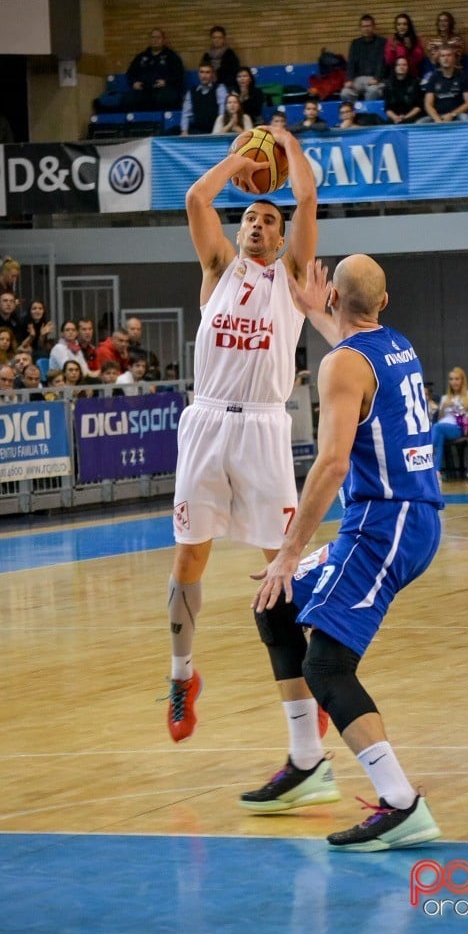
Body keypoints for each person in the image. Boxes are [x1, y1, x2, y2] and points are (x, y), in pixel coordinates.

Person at [251, 255, 444, 850]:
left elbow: (333, 464)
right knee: (274, 606)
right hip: (398, 518)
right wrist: (317, 313)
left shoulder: (341, 366)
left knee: (327, 666)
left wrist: (289, 551)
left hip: (385, 527)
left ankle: (401, 802)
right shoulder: (394, 345)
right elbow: (351, 350)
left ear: (334, 293)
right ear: (383, 304)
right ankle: (308, 762)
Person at [166, 124, 335, 802]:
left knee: (280, 568)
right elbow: (193, 200)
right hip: (206, 421)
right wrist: (237, 159)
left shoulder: (291, 276)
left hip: (265, 429)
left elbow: (309, 200)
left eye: (268, 218)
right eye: (251, 218)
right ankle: (182, 678)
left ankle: (311, 693)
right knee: (188, 558)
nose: (258, 225)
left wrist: (286, 148)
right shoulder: (216, 270)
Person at [98, 28, 185, 113]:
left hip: (163, 89)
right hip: (143, 90)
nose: (155, 40)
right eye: (153, 37)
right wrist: (134, 83)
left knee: (167, 98)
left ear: (163, 40)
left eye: (158, 37)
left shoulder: (172, 56)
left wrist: (166, 82)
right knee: (128, 100)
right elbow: (130, 73)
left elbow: (179, 74)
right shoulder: (141, 57)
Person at [418, 46, 468, 122]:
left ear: (454, 58)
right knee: (421, 122)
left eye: (449, 55)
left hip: (457, 114)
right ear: (439, 60)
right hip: (438, 115)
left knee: (464, 118)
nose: (446, 58)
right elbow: (428, 104)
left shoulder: (464, 76)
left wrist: (452, 114)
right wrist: (437, 119)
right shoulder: (433, 78)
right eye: (443, 56)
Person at [340, 14, 386, 102]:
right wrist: (349, 80)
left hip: (375, 78)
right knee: (345, 93)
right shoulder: (355, 43)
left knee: (373, 91)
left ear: (373, 27)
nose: (366, 29)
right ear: (360, 28)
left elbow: (382, 63)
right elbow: (351, 64)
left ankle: (368, 114)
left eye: (368, 26)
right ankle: (353, 114)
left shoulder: (382, 42)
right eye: (363, 26)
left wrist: (377, 78)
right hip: (358, 80)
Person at [180, 63, 228, 136]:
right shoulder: (191, 91)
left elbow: (222, 112)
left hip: (215, 130)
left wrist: (219, 130)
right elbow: (186, 113)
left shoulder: (219, 88)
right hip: (197, 131)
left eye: (207, 72)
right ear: (198, 74)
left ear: (212, 75)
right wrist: (184, 130)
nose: (204, 76)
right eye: (201, 72)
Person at [383, 57, 423, 124]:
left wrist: (405, 117)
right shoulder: (388, 85)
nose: (401, 67)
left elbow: (418, 107)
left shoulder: (415, 83)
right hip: (394, 119)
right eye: (399, 65)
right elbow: (387, 108)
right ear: (395, 67)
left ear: (408, 67)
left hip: (412, 118)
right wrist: (395, 118)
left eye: (404, 65)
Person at [384, 13, 424, 79]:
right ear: (396, 26)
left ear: (408, 26)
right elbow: (389, 61)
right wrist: (393, 49)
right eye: (399, 24)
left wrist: (410, 49)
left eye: (404, 24)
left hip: (412, 75)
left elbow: (418, 59)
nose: (401, 27)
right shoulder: (392, 40)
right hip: (396, 76)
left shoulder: (415, 39)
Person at [201, 25, 240, 91]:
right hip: (211, 86)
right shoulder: (207, 55)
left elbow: (235, 73)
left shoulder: (230, 54)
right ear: (211, 39)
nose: (217, 40)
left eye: (220, 38)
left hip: (228, 87)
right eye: (214, 38)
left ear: (224, 39)